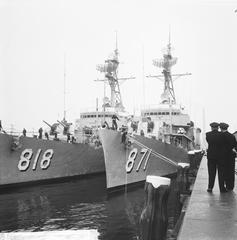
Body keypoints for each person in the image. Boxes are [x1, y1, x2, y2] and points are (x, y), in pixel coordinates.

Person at [206, 122, 227, 193]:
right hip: (220, 157)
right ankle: (222, 188)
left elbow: (209, 142)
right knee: (221, 173)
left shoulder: (208, 134)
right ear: (218, 127)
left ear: (211, 127)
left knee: (211, 173)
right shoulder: (222, 135)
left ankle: (210, 187)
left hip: (211, 156)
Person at [219, 122, 237, 191]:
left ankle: (224, 185)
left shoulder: (220, 136)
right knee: (231, 171)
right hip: (231, 156)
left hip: (222, 157)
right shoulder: (231, 136)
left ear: (220, 128)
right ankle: (230, 186)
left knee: (223, 172)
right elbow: (235, 146)